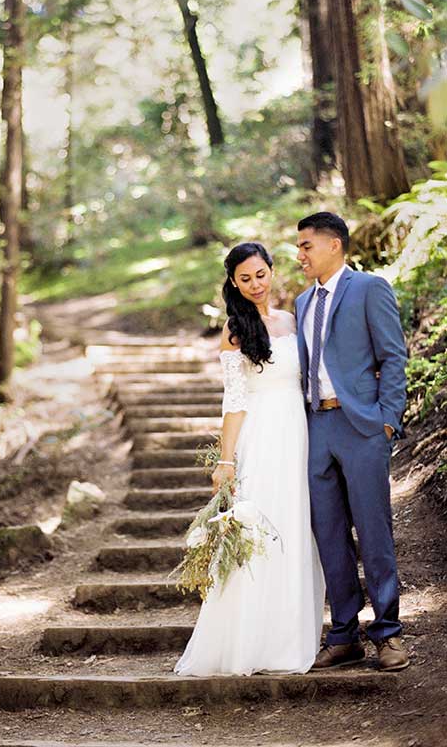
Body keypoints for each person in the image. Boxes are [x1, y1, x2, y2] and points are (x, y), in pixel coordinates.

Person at [175, 242, 325, 677]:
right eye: (245, 278)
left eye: (261, 274)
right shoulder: (235, 330)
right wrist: (226, 462)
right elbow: (234, 401)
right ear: (233, 282)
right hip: (261, 436)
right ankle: (247, 641)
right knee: (261, 528)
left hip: (299, 434)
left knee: (295, 528)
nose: (255, 284)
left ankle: (291, 638)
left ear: (271, 272)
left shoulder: (293, 320)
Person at [295, 212, 409, 671]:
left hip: (361, 427)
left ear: (335, 245)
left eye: (306, 246)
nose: (299, 255)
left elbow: (393, 355)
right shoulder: (302, 302)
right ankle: (344, 633)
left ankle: (388, 633)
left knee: (373, 528)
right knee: (328, 532)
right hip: (316, 429)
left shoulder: (369, 288)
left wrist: (387, 422)